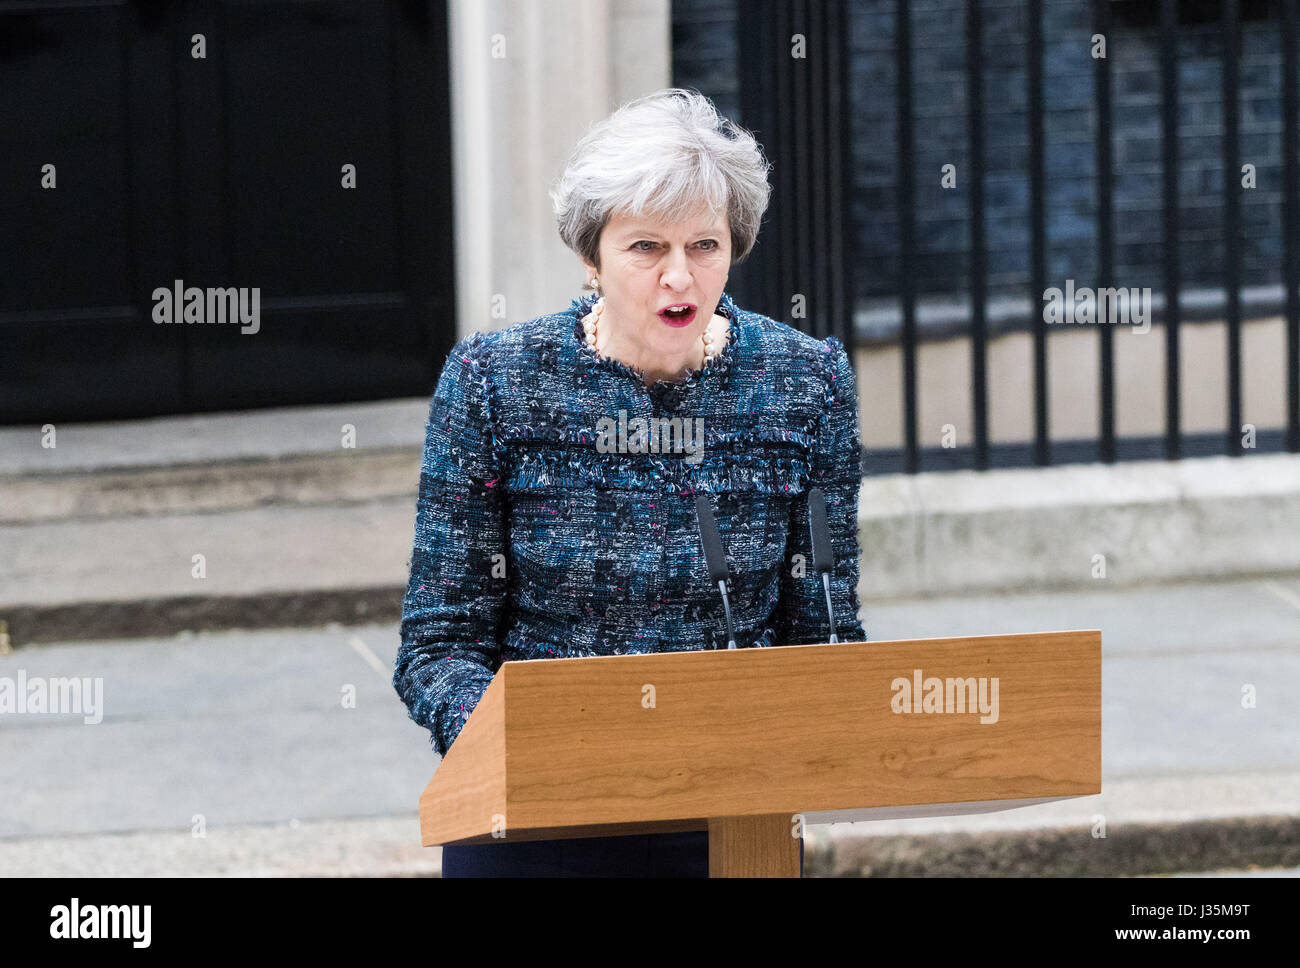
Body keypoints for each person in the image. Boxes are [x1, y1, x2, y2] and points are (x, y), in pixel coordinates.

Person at [393, 88, 866, 877]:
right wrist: (534, 745)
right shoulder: (495, 383)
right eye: (646, 248)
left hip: (730, 813)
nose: (679, 277)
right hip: (533, 812)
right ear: (592, 255)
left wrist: (833, 719)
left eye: (704, 247)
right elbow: (439, 644)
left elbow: (822, 625)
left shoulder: (805, 384)